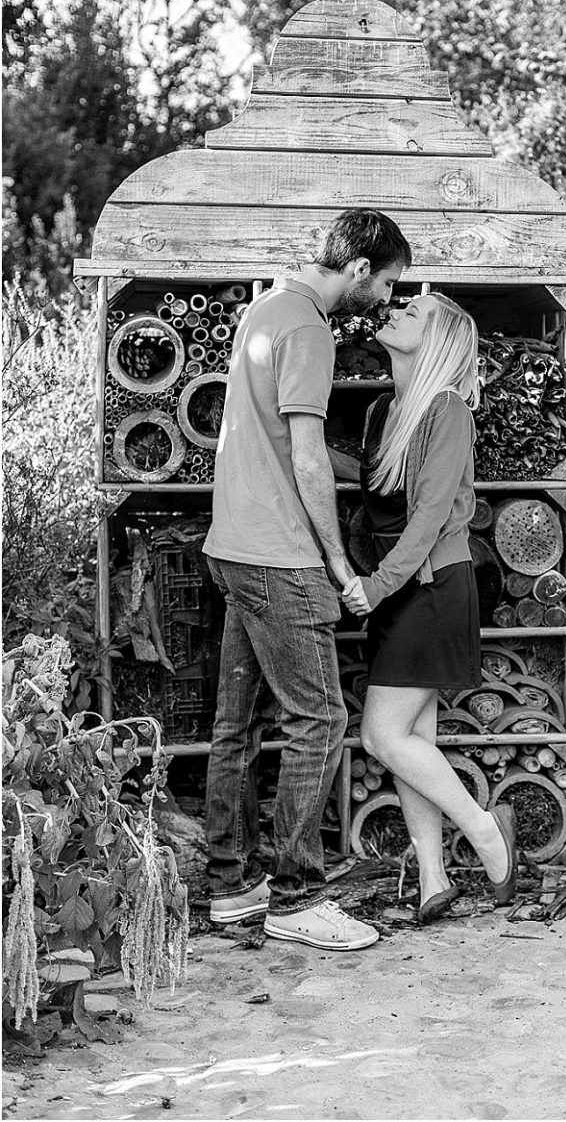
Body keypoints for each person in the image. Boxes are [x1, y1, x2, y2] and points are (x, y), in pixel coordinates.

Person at [203, 208, 412, 950]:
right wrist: (338, 561)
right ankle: (297, 897)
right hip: (278, 554)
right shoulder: (307, 328)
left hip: (233, 542)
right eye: (386, 284)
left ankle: (231, 886)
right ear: (359, 269)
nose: (385, 299)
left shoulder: (265, 309)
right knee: (319, 720)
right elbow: (307, 455)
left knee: (237, 725)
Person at [341, 293, 517, 923]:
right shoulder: (384, 410)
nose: (395, 310)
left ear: (437, 340)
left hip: (431, 586)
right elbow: (375, 483)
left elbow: (431, 517)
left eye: (412, 312)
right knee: (413, 738)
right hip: (402, 590)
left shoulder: (447, 410)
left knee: (380, 735)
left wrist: (376, 586)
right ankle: (432, 879)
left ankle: (486, 829)